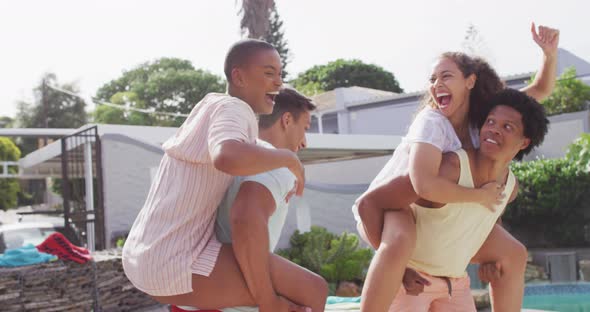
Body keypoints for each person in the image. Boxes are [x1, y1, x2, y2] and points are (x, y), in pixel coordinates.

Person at [356, 23, 559, 312]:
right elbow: (422, 185)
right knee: (401, 241)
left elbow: (537, 92)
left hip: (442, 207)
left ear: (470, 82)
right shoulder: (432, 123)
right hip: (396, 206)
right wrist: (481, 197)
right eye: (433, 78)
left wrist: (549, 56)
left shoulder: (484, 123)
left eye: (446, 76)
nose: (437, 83)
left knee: (513, 253)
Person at [122, 39, 306, 305]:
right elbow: (226, 156)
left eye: (280, 74)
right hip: (172, 258)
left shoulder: (213, 109)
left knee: (299, 289)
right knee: (308, 290)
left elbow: (239, 155)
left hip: (146, 253)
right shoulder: (233, 108)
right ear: (238, 77)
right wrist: (289, 159)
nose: (278, 82)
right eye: (269, 73)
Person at [384, 88, 549, 310]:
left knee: (514, 253)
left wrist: (491, 259)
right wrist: (397, 266)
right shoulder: (450, 167)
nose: (494, 130)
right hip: (411, 279)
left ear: (524, 143)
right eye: (490, 122)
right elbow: (376, 204)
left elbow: (486, 220)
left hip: (454, 283)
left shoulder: (510, 188)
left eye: (507, 127)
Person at [172, 87, 328, 312]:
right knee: (314, 291)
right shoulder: (277, 166)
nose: (305, 142)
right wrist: (267, 300)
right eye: (304, 129)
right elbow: (245, 220)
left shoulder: (231, 160)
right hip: (230, 307)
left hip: (190, 299)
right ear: (286, 120)